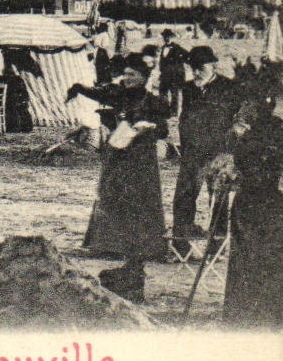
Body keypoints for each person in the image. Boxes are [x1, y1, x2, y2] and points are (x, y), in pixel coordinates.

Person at [70, 55, 174, 302]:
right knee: (113, 197)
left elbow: (164, 130)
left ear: (144, 78)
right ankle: (112, 244)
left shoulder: (155, 102)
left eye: (132, 75)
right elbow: (99, 95)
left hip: (141, 159)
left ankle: (142, 251)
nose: (127, 79)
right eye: (125, 74)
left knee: (140, 202)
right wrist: (78, 89)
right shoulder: (118, 94)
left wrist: (147, 128)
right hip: (118, 153)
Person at [219, 67, 283, 326]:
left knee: (258, 258)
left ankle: (253, 315)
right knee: (260, 258)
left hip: (261, 201)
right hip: (261, 202)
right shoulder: (260, 126)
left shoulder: (259, 128)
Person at [172, 45, 241, 251]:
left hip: (218, 152)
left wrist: (229, 148)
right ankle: (180, 246)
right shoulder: (188, 88)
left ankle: (216, 247)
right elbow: (183, 118)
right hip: (192, 152)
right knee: (184, 196)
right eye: (192, 67)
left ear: (213, 65)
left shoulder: (228, 87)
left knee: (218, 199)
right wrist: (184, 146)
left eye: (200, 67)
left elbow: (238, 119)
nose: (196, 72)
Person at [0, 63, 34, 134]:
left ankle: (14, 127)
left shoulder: (10, 80)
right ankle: (24, 127)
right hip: (20, 99)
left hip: (15, 101)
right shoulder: (18, 79)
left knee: (13, 110)